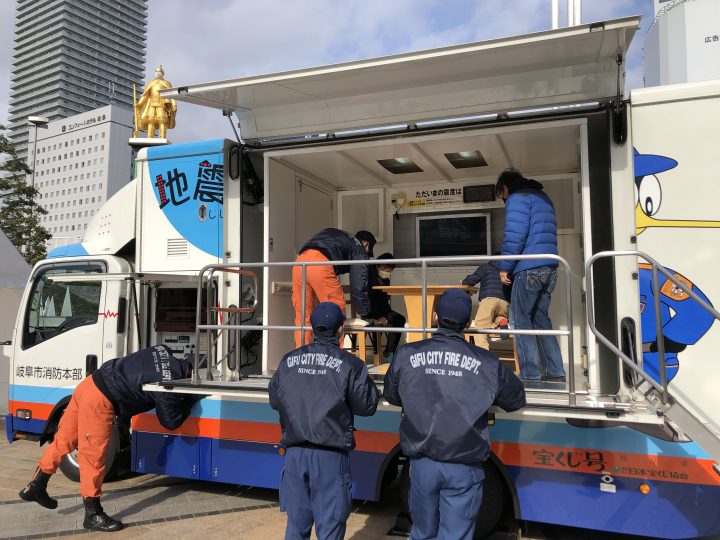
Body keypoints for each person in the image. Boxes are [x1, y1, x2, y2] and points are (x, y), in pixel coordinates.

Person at [384, 289, 526, 540]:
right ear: (469, 323)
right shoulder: (487, 362)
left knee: (421, 533)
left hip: (421, 464)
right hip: (463, 465)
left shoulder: (407, 354)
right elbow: (515, 399)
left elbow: (393, 395)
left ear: (436, 317)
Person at [19, 345, 200, 532]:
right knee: (94, 457)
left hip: (88, 385)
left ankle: (36, 485)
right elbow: (170, 422)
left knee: (64, 440)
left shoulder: (163, 351)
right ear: (189, 375)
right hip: (100, 401)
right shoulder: (168, 381)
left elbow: (140, 370)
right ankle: (92, 514)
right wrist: (191, 399)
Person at [269, 302, 379, 540]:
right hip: (330, 457)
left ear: (311, 327)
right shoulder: (351, 365)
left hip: (295, 456)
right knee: (330, 528)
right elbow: (367, 406)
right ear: (341, 330)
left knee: (296, 528)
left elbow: (275, 401)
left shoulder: (288, 361)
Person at [495, 168, 566, 385]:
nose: (503, 199)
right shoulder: (542, 197)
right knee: (541, 319)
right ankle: (555, 370)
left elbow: (515, 235)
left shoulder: (518, 198)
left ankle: (529, 373)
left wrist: (505, 266)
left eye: (501, 194)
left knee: (518, 320)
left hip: (529, 268)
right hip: (550, 266)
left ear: (505, 188)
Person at [292, 228, 376, 347]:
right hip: (320, 264)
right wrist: (365, 312)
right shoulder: (359, 249)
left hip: (300, 262)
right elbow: (358, 287)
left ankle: (301, 355)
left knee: (302, 312)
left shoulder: (342, 236)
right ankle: (334, 357)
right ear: (366, 244)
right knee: (336, 312)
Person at [367, 252, 406, 362]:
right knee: (394, 320)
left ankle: (390, 351)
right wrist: (378, 316)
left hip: (382, 309)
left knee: (400, 319)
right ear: (379, 265)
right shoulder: (370, 276)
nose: (386, 272)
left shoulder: (384, 279)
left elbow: (384, 297)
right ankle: (389, 352)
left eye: (389, 271)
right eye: (385, 269)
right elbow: (369, 299)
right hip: (371, 310)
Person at [462, 262, 509, 349]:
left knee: (480, 326)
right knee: (498, 315)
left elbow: (471, 280)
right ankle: (502, 320)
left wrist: (464, 281)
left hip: (489, 299)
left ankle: (483, 354)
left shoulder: (486, 267)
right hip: (504, 301)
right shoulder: (508, 270)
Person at [133, 65, 177, 139]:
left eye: (159, 72)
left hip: (162, 104)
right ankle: (149, 137)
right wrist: (139, 104)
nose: (157, 73)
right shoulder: (151, 83)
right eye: (156, 72)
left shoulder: (166, 83)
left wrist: (174, 104)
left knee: (162, 121)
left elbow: (171, 94)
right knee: (150, 121)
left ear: (162, 74)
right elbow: (145, 96)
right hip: (152, 105)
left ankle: (163, 137)